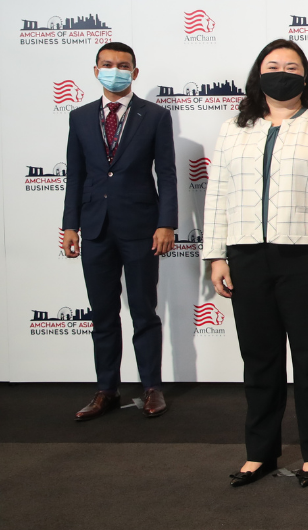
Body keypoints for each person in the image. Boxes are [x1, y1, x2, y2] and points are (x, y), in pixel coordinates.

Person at [203, 39, 308, 488]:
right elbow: (218, 197)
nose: (282, 72)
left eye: (292, 66)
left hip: (306, 259)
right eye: (273, 65)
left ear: (305, 77)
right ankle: (260, 453)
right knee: (259, 360)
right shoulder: (234, 128)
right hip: (247, 255)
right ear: (258, 74)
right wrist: (216, 256)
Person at [62, 42, 177, 421]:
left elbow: (168, 174)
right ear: (96, 70)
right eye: (108, 64)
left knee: (144, 311)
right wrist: (70, 226)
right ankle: (106, 390)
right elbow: (75, 177)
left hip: (142, 228)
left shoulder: (156, 116)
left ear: (135, 72)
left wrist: (166, 223)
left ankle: (151, 388)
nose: (116, 70)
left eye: (123, 65)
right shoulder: (79, 117)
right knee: (103, 315)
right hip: (94, 229)